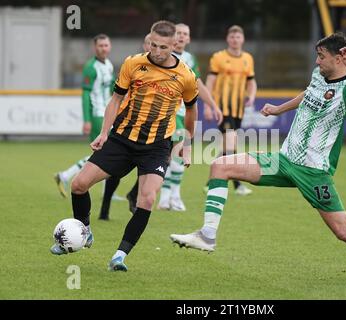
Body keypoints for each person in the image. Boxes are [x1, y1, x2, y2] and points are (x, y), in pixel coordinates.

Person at [170, 33, 346, 283]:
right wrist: (278, 109)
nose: (317, 62)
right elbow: (307, 94)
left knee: (345, 232)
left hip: (312, 172)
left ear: (340, 59)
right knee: (220, 165)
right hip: (284, 160)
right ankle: (207, 235)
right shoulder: (318, 75)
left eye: (321, 56)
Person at [50, 20, 199, 272]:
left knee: (147, 199)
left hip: (156, 146)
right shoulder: (133, 63)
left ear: (174, 45)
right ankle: (84, 231)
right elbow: (116, 99)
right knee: (78, 184)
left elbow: (193, 110)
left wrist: (188, 141)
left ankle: (119, 256)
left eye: (163, 47)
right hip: (122, 139)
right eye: (153, 44)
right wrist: (104, 133)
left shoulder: (185, 75)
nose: (156, 51)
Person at [125, 23, 223, 213]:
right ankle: (168, 197)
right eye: (178, 33)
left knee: (173, 156)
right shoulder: (159, 57)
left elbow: (198, 85)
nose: (181, 37)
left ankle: (168, 197)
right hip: (162, 114)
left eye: (185, 34)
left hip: (180, 114)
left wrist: (212, 104)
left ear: (189, 38)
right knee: (169, 155)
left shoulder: (189, 60)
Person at [54, 34, 123, 220]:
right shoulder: (90, 67)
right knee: (103, 152)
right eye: (100, 45)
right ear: (95, 47)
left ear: (110, 47)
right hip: (96, 115)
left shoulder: (108, 65)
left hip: (106, 114)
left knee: (105, 152)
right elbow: (85, 94)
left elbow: (111, 93)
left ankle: (68, 176)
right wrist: (86, 119)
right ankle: (67, 175)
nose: (103, 48)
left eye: (106, 45)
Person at [204, 25, 257, 196]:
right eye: (232, 37)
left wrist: (252, 95)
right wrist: (207, 105)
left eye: (238, 37)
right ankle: (238, 185)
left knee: (228, 147)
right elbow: (210, 82)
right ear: (228, 39)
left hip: (238, 109)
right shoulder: (218, 57)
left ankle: (210, 182)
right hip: (222, 108)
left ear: (243, 39)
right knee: (231, 144)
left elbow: (251, 81)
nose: (235, 40)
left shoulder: (247, 58)